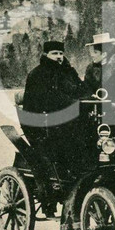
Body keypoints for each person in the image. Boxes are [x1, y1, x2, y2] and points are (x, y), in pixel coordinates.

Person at [20, 40, 84, 177]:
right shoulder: (37, 74)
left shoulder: (68, 72)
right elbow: (49, 99)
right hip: (41, 123)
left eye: (61, 53)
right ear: (45, 54)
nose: (59, 56)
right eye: (54, 53)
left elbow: (81, 88)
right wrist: (76, 103)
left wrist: (89, 97)